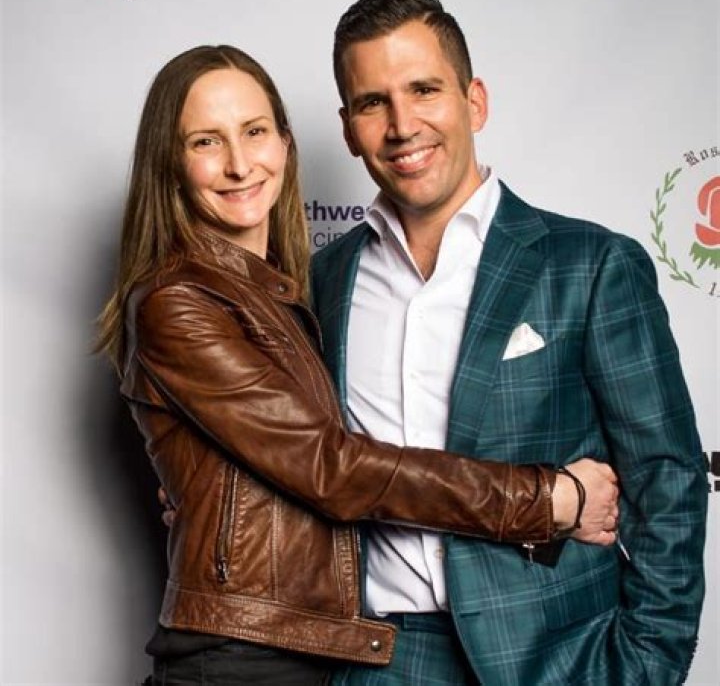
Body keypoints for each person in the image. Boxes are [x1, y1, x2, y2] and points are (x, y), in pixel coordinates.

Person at [96, 45, 619, 685]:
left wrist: (207, 497)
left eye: (254, 132)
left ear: (286, 143)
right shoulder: (178, 302)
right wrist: (548, 499)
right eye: (206, 141)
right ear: (171, 164)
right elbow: (332, 466)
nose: (238, 163)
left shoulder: (292, 291)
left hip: (311, 645)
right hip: (241, 654)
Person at [311, 0, 708, 686]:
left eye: (424, 90)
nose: (402, 125)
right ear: (348, 129)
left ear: (475, 102)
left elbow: (667, 478)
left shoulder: (589, 265)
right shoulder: (325, 281)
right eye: (373, 102)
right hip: (377, 659)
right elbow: (305, 459)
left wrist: (648, 663)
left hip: (560, 656)